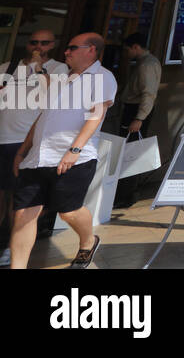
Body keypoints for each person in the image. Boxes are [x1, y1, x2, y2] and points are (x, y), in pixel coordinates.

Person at [8, 33, 116, 269]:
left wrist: (74, 149)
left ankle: (88, 241)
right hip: (37, 157)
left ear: (91, 50)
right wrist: (23, 149)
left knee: (68, 212)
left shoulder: (102, 76)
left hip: (74, 157)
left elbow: (96, 115)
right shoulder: (61, 79)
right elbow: (43, 117)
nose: (66, 52)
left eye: (72, 47)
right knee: (23, 215)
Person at [0, 31, 68, 267]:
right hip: (3, 137)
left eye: (45, 42)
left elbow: (58, 96)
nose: (38, 46)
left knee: (18, 199)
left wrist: (39, 70)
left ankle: (11, 246)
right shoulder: (8, 67)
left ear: (54, 44)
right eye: (34, 42)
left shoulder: (59, 68)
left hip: (26, 140)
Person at [113, 32, 161, 208]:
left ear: (135, 47)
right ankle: (126, 192)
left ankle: (126, 195)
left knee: (130, 152)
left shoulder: (147, 65)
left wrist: (139, 117)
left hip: (136, 111)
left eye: (127, 49)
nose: (126, 53)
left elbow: (149, 93)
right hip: (135, 109)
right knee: (129, 151)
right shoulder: (145, 62)